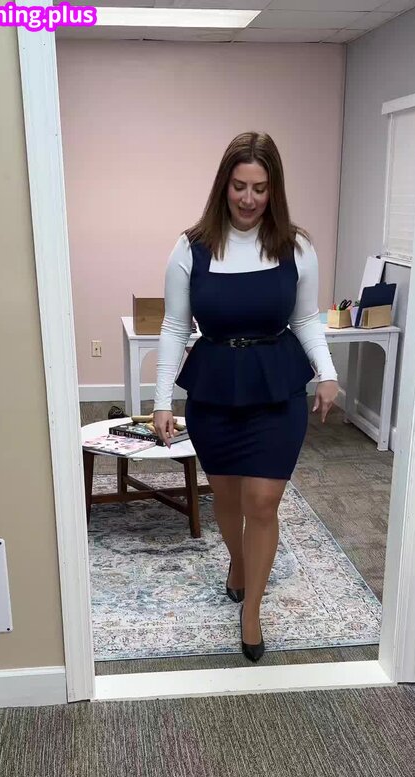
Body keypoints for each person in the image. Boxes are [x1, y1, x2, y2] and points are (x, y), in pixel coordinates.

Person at [153, 132, 339, 662]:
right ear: (224, 185)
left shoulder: (295, 247)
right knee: (228, 498)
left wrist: (326, 373)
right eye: (240, 186)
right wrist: (162, 400)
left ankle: (251, 609)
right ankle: (237, 561)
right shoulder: (191, 247)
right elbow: (174, 326)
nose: (249, 198)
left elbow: (306, 318)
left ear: (273, 189)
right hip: (214, 387)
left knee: (262, 501)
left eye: (260, 188)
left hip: (276, 385)